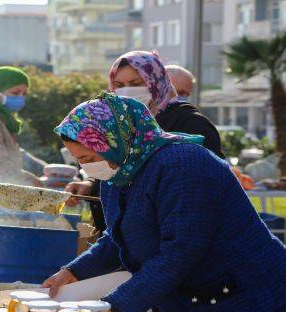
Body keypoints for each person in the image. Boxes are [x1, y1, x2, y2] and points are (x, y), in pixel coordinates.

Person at [45, 93, 286, 312]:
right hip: (201, 300)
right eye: (80, 160)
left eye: (90, 157)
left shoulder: (183, 164)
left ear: (115, 141)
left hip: (246, 300)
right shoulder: (120, 173)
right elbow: (119, 235)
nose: (87, 167)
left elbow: (181, 250)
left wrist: (114, 306)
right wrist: (73, 271)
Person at [66, 50, 223, 232]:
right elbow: (118, 170)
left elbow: (205, 187)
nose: (126, 90)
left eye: (135, 83)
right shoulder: (122, 125)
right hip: (124, 234)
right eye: (118, 85)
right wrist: (90, 184)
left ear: (155, 81)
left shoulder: (190, 123)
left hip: (175, 231)